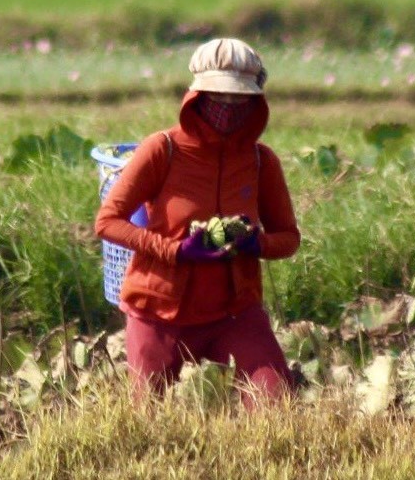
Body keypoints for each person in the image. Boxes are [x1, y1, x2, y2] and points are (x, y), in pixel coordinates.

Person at [95, 38, 300, 407]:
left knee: (275, 406)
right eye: (219, 97)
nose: (230, 106)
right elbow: (108, 222)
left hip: (234, 313)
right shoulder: (163, 149)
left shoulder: (259, 161)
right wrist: (177, 251)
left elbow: (289, 238)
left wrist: (257, 243)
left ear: (256, 101)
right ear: (197, 96)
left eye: (240, 98)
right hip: (159, 313)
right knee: (148, 420)